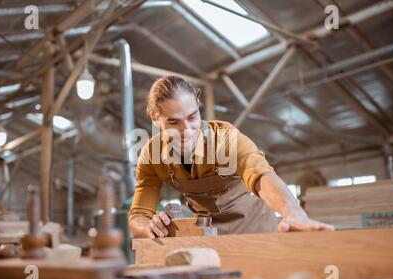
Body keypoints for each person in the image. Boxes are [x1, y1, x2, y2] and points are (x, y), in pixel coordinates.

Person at [129, 76, 334, 239]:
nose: (187, 130)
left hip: (256, 230)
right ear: (155, 119)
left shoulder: (226, 139)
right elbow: (138, 215)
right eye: (174, 122)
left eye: (192, 117)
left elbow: (262, 176)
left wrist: (293, 213)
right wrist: (148, 227)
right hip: (209, 236)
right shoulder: (151, 155)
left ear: (198, 106)